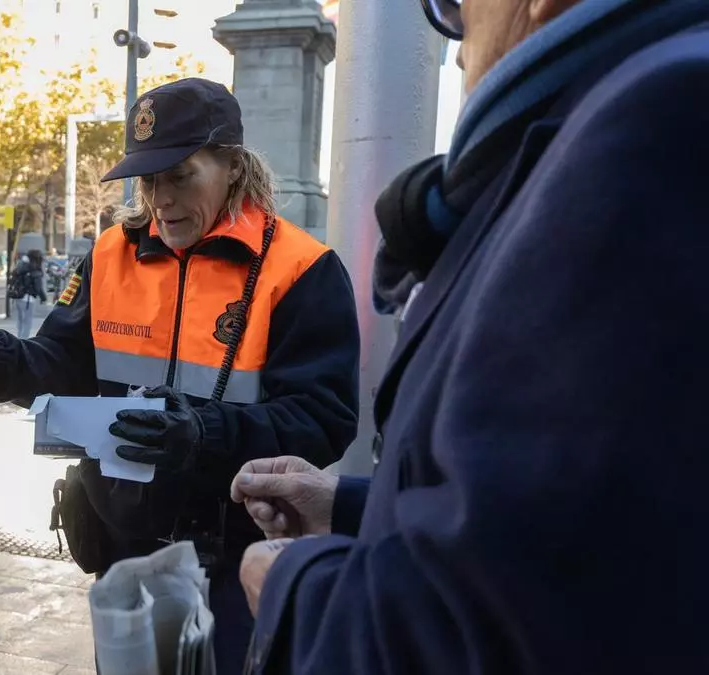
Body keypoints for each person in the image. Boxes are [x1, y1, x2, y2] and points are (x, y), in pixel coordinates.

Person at [231, 0, 709, 672]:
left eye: (455, 4)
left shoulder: (657, 124)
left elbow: (511, 626)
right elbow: (560, 518)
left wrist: (294, 590)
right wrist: (344, 506)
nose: (451, 34)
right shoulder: (610, 121)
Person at [0, 77, 360, 672]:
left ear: (233, 167)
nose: (160, 198)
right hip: (122, 549)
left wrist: (204, 434)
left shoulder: (302, 270)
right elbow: (59, 363)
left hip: (237, 556)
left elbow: (323, 419)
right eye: (148, 178)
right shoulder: (111, 253)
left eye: (180, 174)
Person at [8, 249, 47, 337]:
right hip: (29, 299)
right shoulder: (35, 269)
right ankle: (23, 341)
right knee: (27, 322)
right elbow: (38, 287)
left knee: (21, 321)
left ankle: (19, 338)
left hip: (18, 297)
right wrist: (43, 298)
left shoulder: (20, 266)